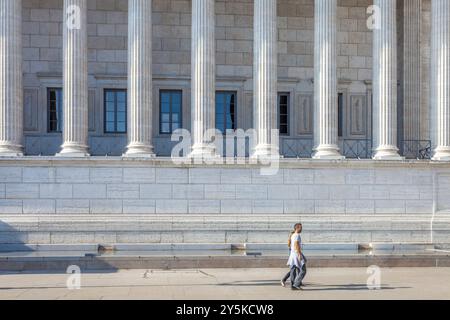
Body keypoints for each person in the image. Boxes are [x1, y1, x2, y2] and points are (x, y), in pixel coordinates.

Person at [286, 223, 307, 290]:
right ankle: (296, 284)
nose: (302, 229)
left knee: (293, 270)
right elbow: (296, 244)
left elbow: (290, 245)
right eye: (301, 228)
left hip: (292, 255)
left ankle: (292, 285)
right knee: (303, 270)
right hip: (296, 254)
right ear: (297, 228)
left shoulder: (292, 235)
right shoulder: (297, 235)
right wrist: (299, 254)